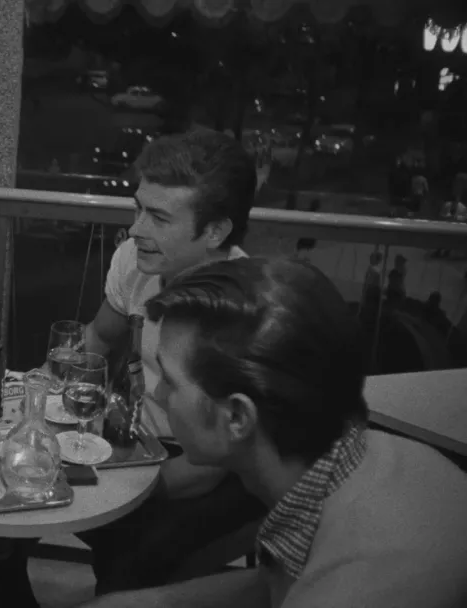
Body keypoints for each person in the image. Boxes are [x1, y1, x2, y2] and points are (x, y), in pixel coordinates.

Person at [81, 257, 467, 607]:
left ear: (237, 418)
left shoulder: (358, 585)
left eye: (170, 380)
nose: (158, 394)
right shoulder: (361, 457)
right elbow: (275, 582)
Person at [78, 129, 265, 594]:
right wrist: (41, 396)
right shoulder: (136, 259)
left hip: (220, 463)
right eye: (138, 209)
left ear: (215, 231)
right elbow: (100, 336)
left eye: (158, 218)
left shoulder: (244, 311)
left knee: (130, 555)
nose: (135, 230)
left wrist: (116, 486)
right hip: (144, 437)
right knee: (20, 480)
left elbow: (212, 463)